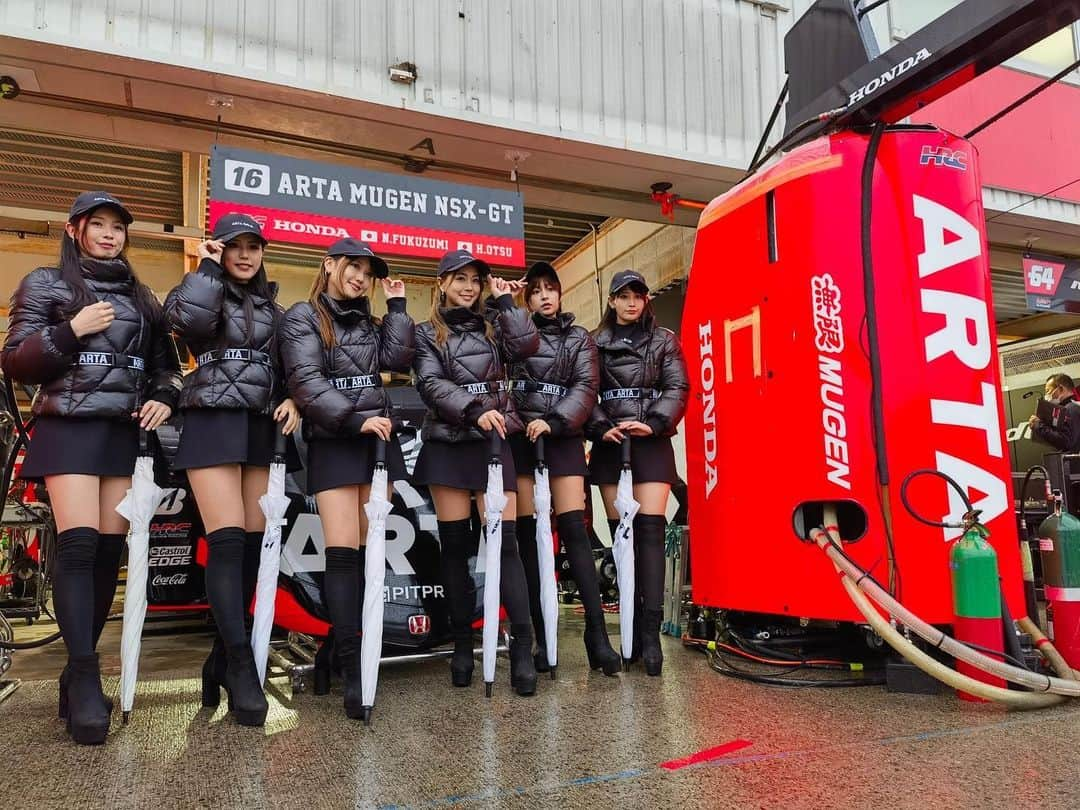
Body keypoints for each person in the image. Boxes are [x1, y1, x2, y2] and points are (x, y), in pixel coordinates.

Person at [1, 191, 181, 744]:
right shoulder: (45, 283)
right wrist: (69, 330)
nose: (109, 234)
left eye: (118, 227)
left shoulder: (143, 297)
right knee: (78, 546)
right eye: (97, 225)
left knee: (108, 553)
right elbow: (15, 359)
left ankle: (75, 667)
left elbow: (166, 368)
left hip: (122, 435)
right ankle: (83, 676)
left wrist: (165, 396)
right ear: (74, 229)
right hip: (69, 429)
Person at [164, 213, 300, 727]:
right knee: (224, 542)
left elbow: (290, 366)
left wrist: (293, 400)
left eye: (253, 247)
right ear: (220, 249)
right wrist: (204, 266)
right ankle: (242, 665)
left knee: (251, 548)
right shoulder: (199, 289)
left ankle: (220, 659)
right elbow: (188, 325)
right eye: (234, 246)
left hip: (260, 425)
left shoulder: (276, 308)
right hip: (212, 419)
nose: (244, 255)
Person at [279, 238, 415, 719]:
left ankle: (333, 650)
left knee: (367, 551)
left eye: (367, 273)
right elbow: (305, 382)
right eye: (352, 267)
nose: (359, 277)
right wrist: (354, 420)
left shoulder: (371, 322)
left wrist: (397, 304)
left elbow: (398, 360)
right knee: (341, 552)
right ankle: (354, 669)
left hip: (378, 441)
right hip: (339, 437)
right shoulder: (303, 316)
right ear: (329, 264)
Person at [412, 249, 541, 696]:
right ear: (442, 283)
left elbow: (528, 346)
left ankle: (522, 648)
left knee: (505, 548)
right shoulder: (426, 332)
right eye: (460, 279)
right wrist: (473, 409)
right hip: (449, 445)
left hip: (494, 444)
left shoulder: (495, 324)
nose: (468, 287)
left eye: (475, 280)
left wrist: (508, 305)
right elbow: (430, 383)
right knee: (454, 551)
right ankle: (462, 647)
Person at [508, 261, 620, 676]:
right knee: (527, 540)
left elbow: (586, 388)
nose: (544, 296)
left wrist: (554, 422)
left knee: (574, 531)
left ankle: (597, 635)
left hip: (564, 440)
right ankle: (539, 637)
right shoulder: (511, 335)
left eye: (550, 288)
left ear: (560, 292)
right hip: (520, 442)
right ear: (527, 298)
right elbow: (499, 384)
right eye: (535, 291)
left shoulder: (579, 339)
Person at [586, 269, 689, 677]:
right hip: (611, 446)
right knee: (620, 539)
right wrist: (600, 427)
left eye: (638, 295)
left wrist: (656, 421)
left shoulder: (664, 339)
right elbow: (583, 389)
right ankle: (626, 627)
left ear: (646, 300)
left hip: (651, 442)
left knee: (649, 532)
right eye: (623, 296)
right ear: (611, 301)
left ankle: (649, 635)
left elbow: (677, 387)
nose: (632, 302)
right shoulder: (592, 343)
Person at [1030, 373, 1080, 453]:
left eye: (1048, 391)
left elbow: (1066, 442)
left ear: (1060, 389)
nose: (1047, 395)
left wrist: (1039, 425)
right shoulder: (1070, 408)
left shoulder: (1070, 409)